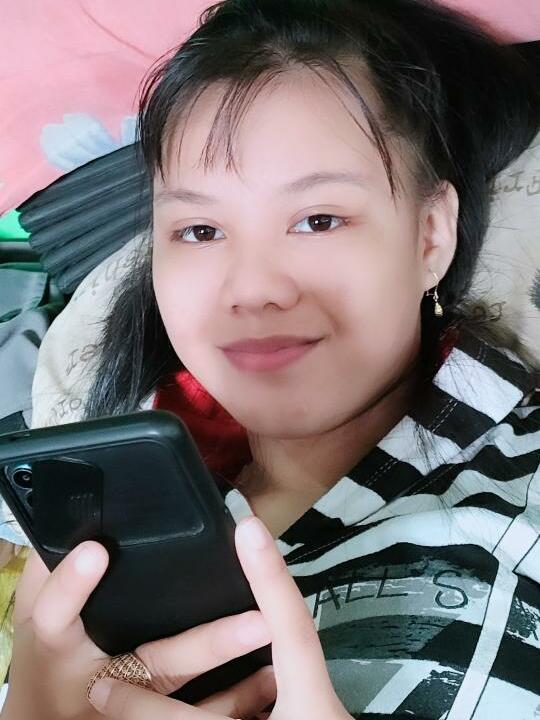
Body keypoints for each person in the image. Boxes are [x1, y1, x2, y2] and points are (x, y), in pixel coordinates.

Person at [2, 0, 540, 718]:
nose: (252, 289)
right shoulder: (109, 500)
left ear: (430, 237)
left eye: (319, 219)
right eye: (200, 230)